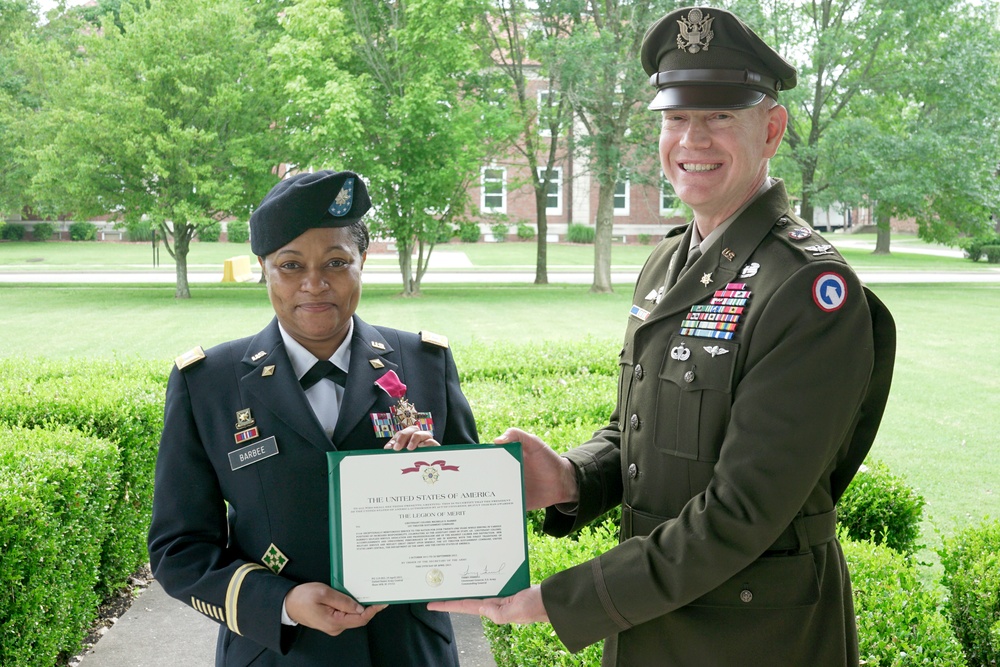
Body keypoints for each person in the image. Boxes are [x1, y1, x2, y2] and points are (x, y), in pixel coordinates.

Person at [430, 6, 896, 666]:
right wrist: (570, 475)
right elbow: (641, 434)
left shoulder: (807, 290)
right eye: (677, 118)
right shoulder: (669, 260)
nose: (692, 140)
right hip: (652, 625)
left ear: (771, 128)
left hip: (755, 639)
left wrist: (556, 599)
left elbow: (740, 513)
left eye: (719, 117)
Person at [148, 170, 479, 666]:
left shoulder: (424, 362)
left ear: (363, 262)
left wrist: (445, 482)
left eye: (337, 262)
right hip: (277, 652)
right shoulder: (208, 383)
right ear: (263, 268)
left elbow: (476, 518)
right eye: (290, 264)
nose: (314, 284)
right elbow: (179, 548)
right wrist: (280, 602)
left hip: (406, 649)